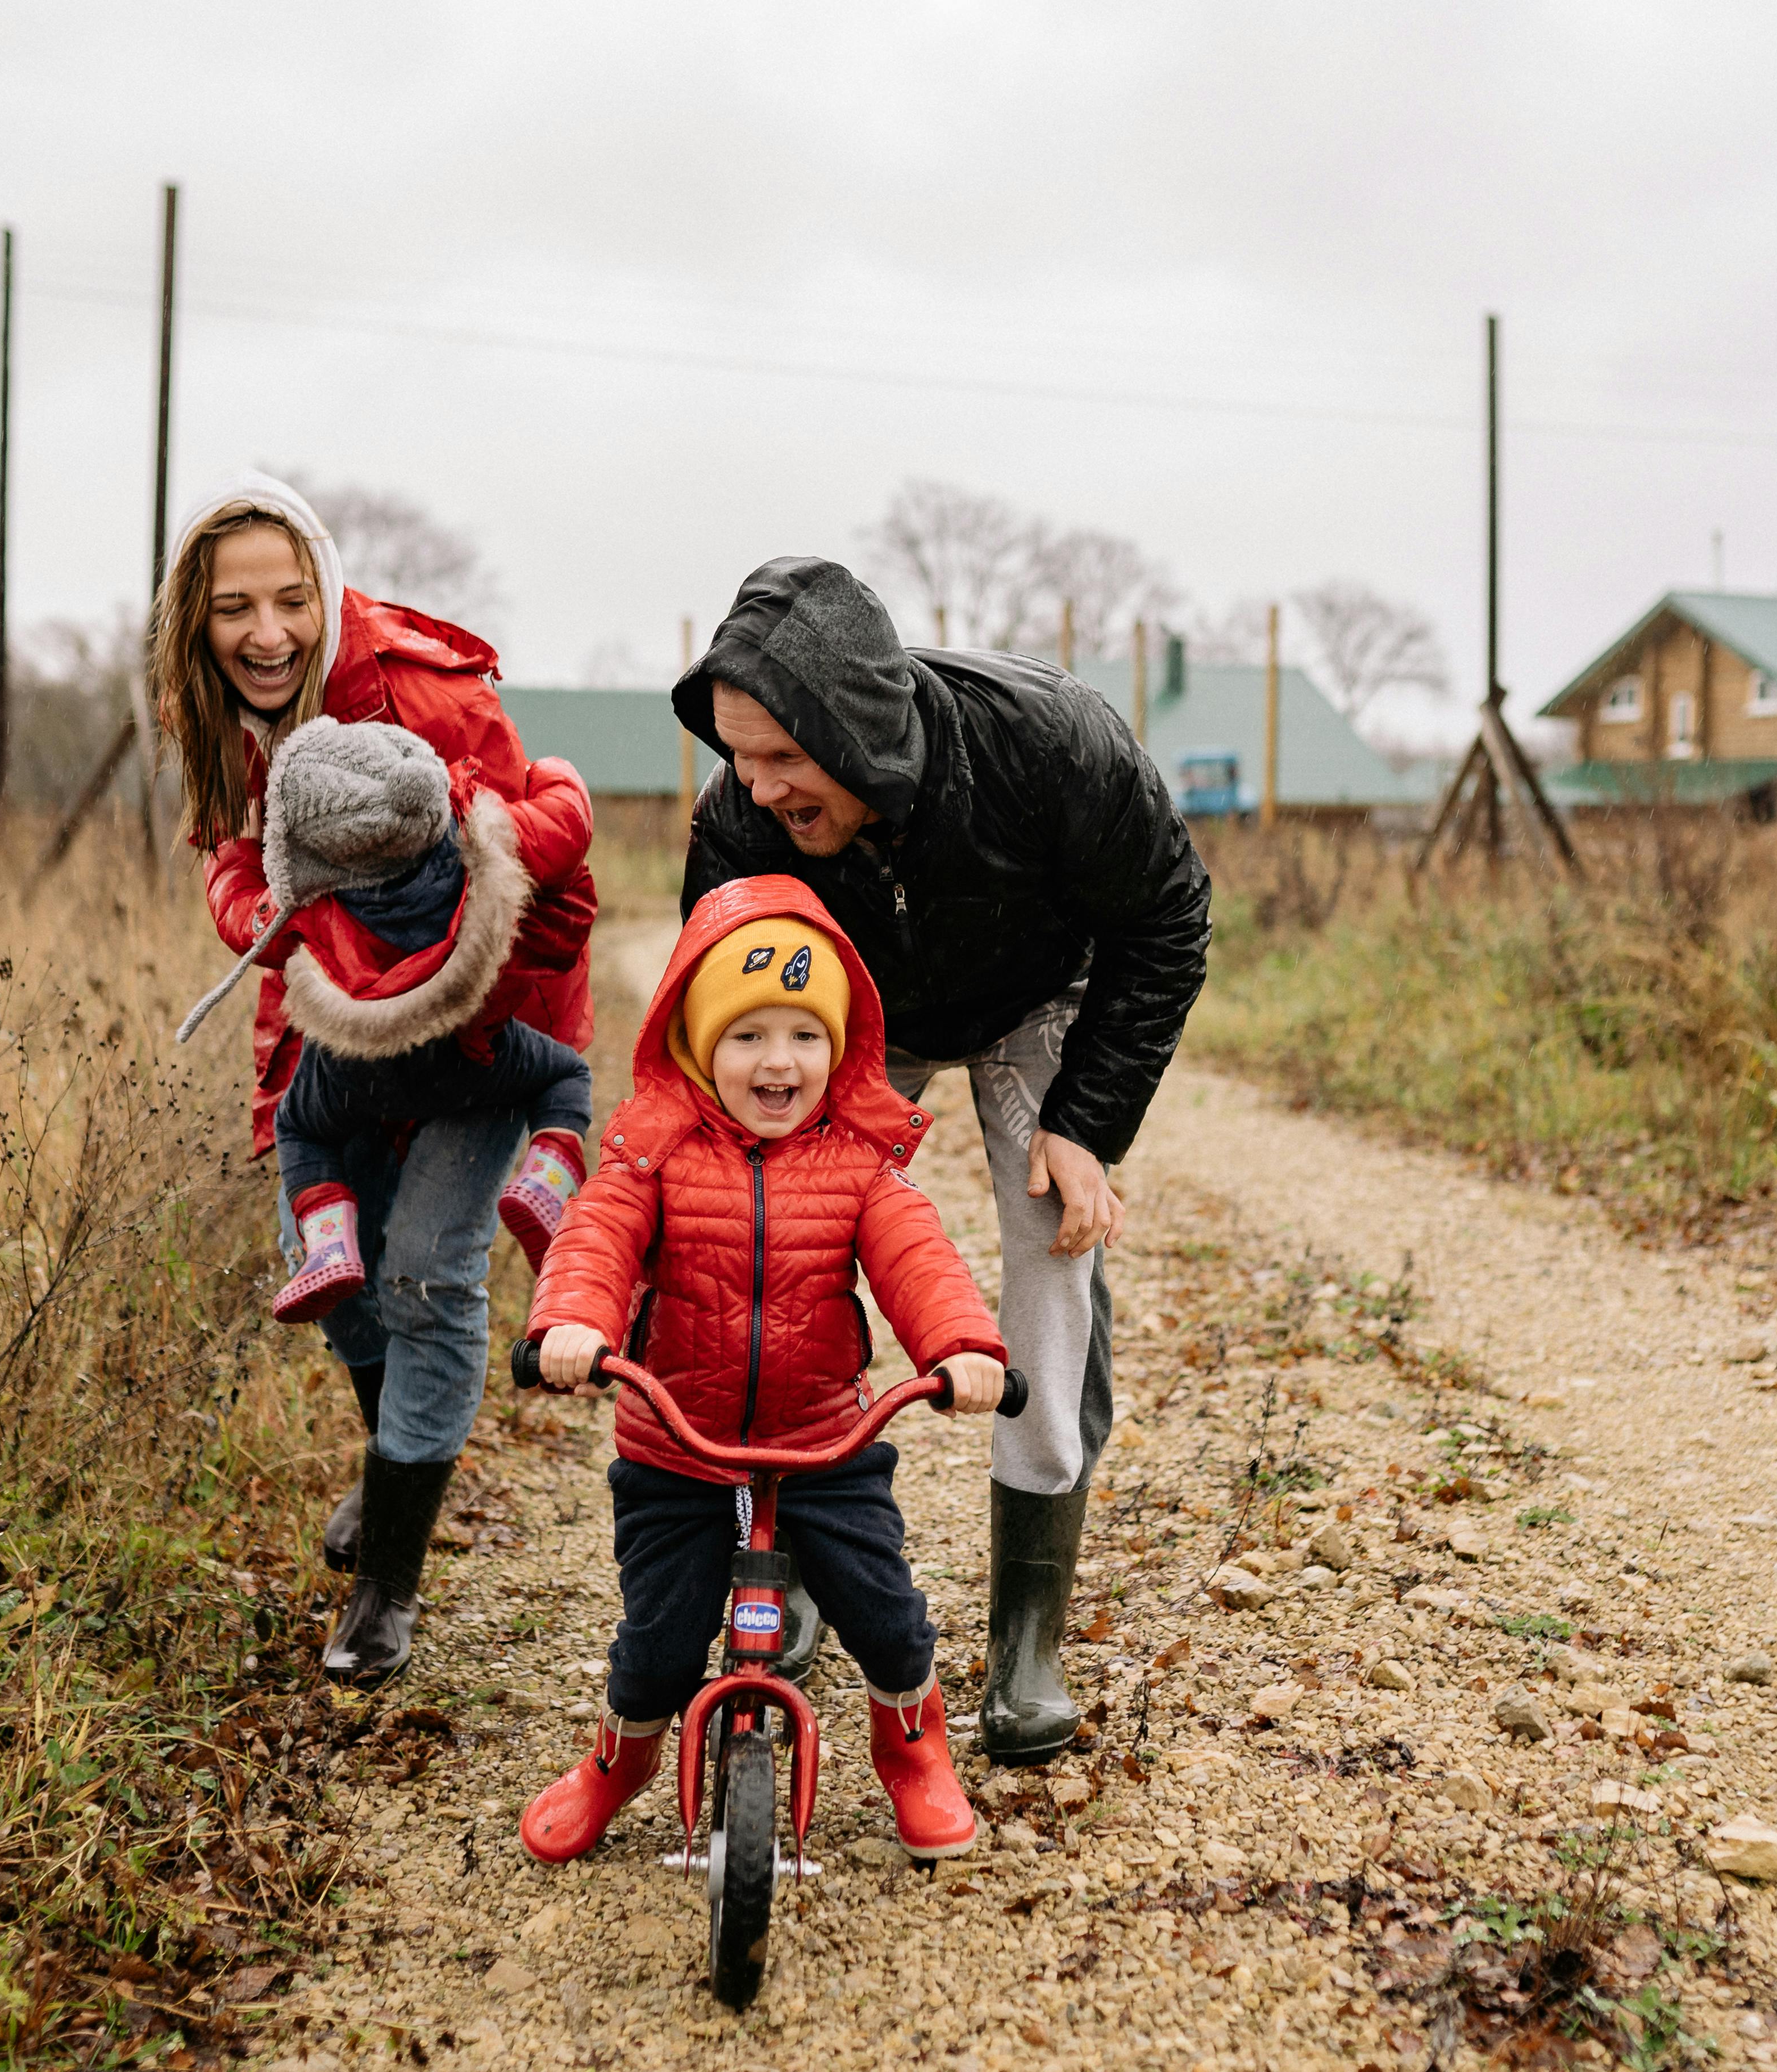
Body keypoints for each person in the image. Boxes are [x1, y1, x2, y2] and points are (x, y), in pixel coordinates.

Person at [673, 557, 1209, 1765]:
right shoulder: (737, 821)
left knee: (1050, 1257)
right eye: (737, 756)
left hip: (1040, 991)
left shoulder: (1054, 745)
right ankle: (788, 1548)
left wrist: (1085, 1122)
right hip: (848, 1010)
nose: (753, 787)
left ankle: (1028, 1642)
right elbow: (712, 1001)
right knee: (783, 1234)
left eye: (779, 758)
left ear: (852, 724)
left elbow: (1165, 922)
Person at [157, 470, 597, 1687]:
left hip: (479, 1031)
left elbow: (549, 877)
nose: (265, 632)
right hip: (329, 1028)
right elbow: (229, 860)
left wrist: (457, 1017)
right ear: (194, 621)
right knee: (340, 1280)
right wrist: (267, 919)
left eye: (291, 599)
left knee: (421, 1268)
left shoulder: (414, 691)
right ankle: (389, 1462)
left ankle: (388, 1585)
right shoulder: (216, 714)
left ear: (327, 591)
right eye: (233, 606)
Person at [513, 876, 1008, 1864]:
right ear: (698, 1044)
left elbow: (919, 1260)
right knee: (656, 1642)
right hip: (676, 1449)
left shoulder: (861, 1167)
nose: (779, 1060)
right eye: (747, 1036)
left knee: (889, 1617)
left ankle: (913, 1752)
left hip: (827, 1443)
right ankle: (621, 1761)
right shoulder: (651, 1158)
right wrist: (571, 1323)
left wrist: (960, 1347)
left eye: (803, 1035)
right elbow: (598, 1240)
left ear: (841, 1047)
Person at [170, 714, 593, 1324]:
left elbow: (239, 910)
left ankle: (330, 1242)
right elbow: (567, 823)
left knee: (299, 1128)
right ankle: (547, 1179)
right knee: (566, 1074)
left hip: (352, 1070)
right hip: (467, 1057)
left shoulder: (307, 903)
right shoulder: (473, 849)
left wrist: (232, 845)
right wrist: (548, 773)